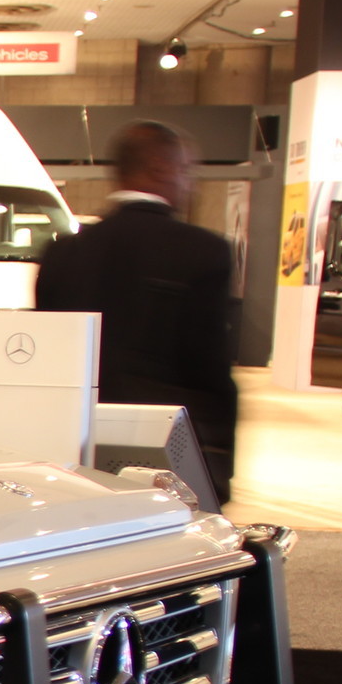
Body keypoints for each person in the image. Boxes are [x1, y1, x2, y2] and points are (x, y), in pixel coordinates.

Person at [36, 121, 239, 504]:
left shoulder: (63, 254)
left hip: (76, 450)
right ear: (160, 168)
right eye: (185, 170)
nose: (189, 183)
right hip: (170, 454)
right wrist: (220, 466)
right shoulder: (204, 252)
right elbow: (210, 365)